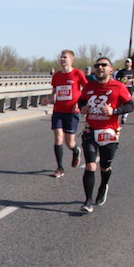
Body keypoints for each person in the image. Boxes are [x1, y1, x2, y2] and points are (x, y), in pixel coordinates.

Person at [77, 57, 134, 213]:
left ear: (111, 69)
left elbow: (130, 105)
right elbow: (81, 101)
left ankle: (103, 186)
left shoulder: (118, 86)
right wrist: (82, 108)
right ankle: (88, 201)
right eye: (98, 65)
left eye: (104, 65)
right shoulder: (89, 86)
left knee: (104, 166)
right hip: (90, 130)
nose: (100, 67)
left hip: (109, 132)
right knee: (90, 165)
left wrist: (114, 111)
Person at [48, 49, 87, 178]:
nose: (62, 59)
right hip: (58, 111)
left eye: (65, 57)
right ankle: (60, 168)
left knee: (69, 142)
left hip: (72, 112)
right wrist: (50, 98)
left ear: (71, 60)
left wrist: (80, 103)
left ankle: (76, 151)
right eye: (61, 57)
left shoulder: (77, 73)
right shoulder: (56, 76)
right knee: (58, 138)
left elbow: (86, 89)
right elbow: (54, 90)